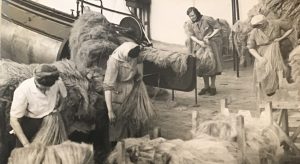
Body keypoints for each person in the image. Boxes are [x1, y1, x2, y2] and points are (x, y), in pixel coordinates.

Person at [10, 64, 67, 147]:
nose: (46, 91)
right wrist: (26, 144)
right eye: (42, 88)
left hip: (51, 120)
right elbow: (14, 120)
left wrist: (59, 108)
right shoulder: (23, 90)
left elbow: (64, 96)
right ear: (36, 81)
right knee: (26, 153)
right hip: (31, 121)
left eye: (48, 88)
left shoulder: (57, 81)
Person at [103, 42, 142, 146]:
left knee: (132, 124)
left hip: (131, 93)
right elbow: (108, 87)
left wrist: (139, 73)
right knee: (117, 126)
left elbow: (140, 61)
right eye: (129, 57)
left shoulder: (133, 53)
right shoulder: (114, 61)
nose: (130, 60)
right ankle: (115, 151)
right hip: (117, 94)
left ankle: (130, 148)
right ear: (125, 53)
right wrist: (110, 111)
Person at [247, 14, 293, 99]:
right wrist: (260, 58)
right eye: (256, 26)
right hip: (262, 54)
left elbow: (290, 28)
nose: (259, 27)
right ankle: (267, 95)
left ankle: (280, 94)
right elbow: (251, 48)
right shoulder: (254, 32)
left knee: (279, 71)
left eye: (260, 25)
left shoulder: (276, 23)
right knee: (263, 73)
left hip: (276, 51)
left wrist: (281, 38)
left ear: (264, 22)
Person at [185, 7, 223, 96]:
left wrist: (210, 36)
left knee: (212, 65)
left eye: (193, 15)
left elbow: (218, 28)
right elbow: (191, 35)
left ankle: (213, 86)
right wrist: (199, 42)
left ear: (197, 13)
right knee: (203, 66)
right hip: (200, 46)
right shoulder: (190, 23)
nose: (192, 18)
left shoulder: (207, 19)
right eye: (190, 16)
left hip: (210, 44)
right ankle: (206, 87)